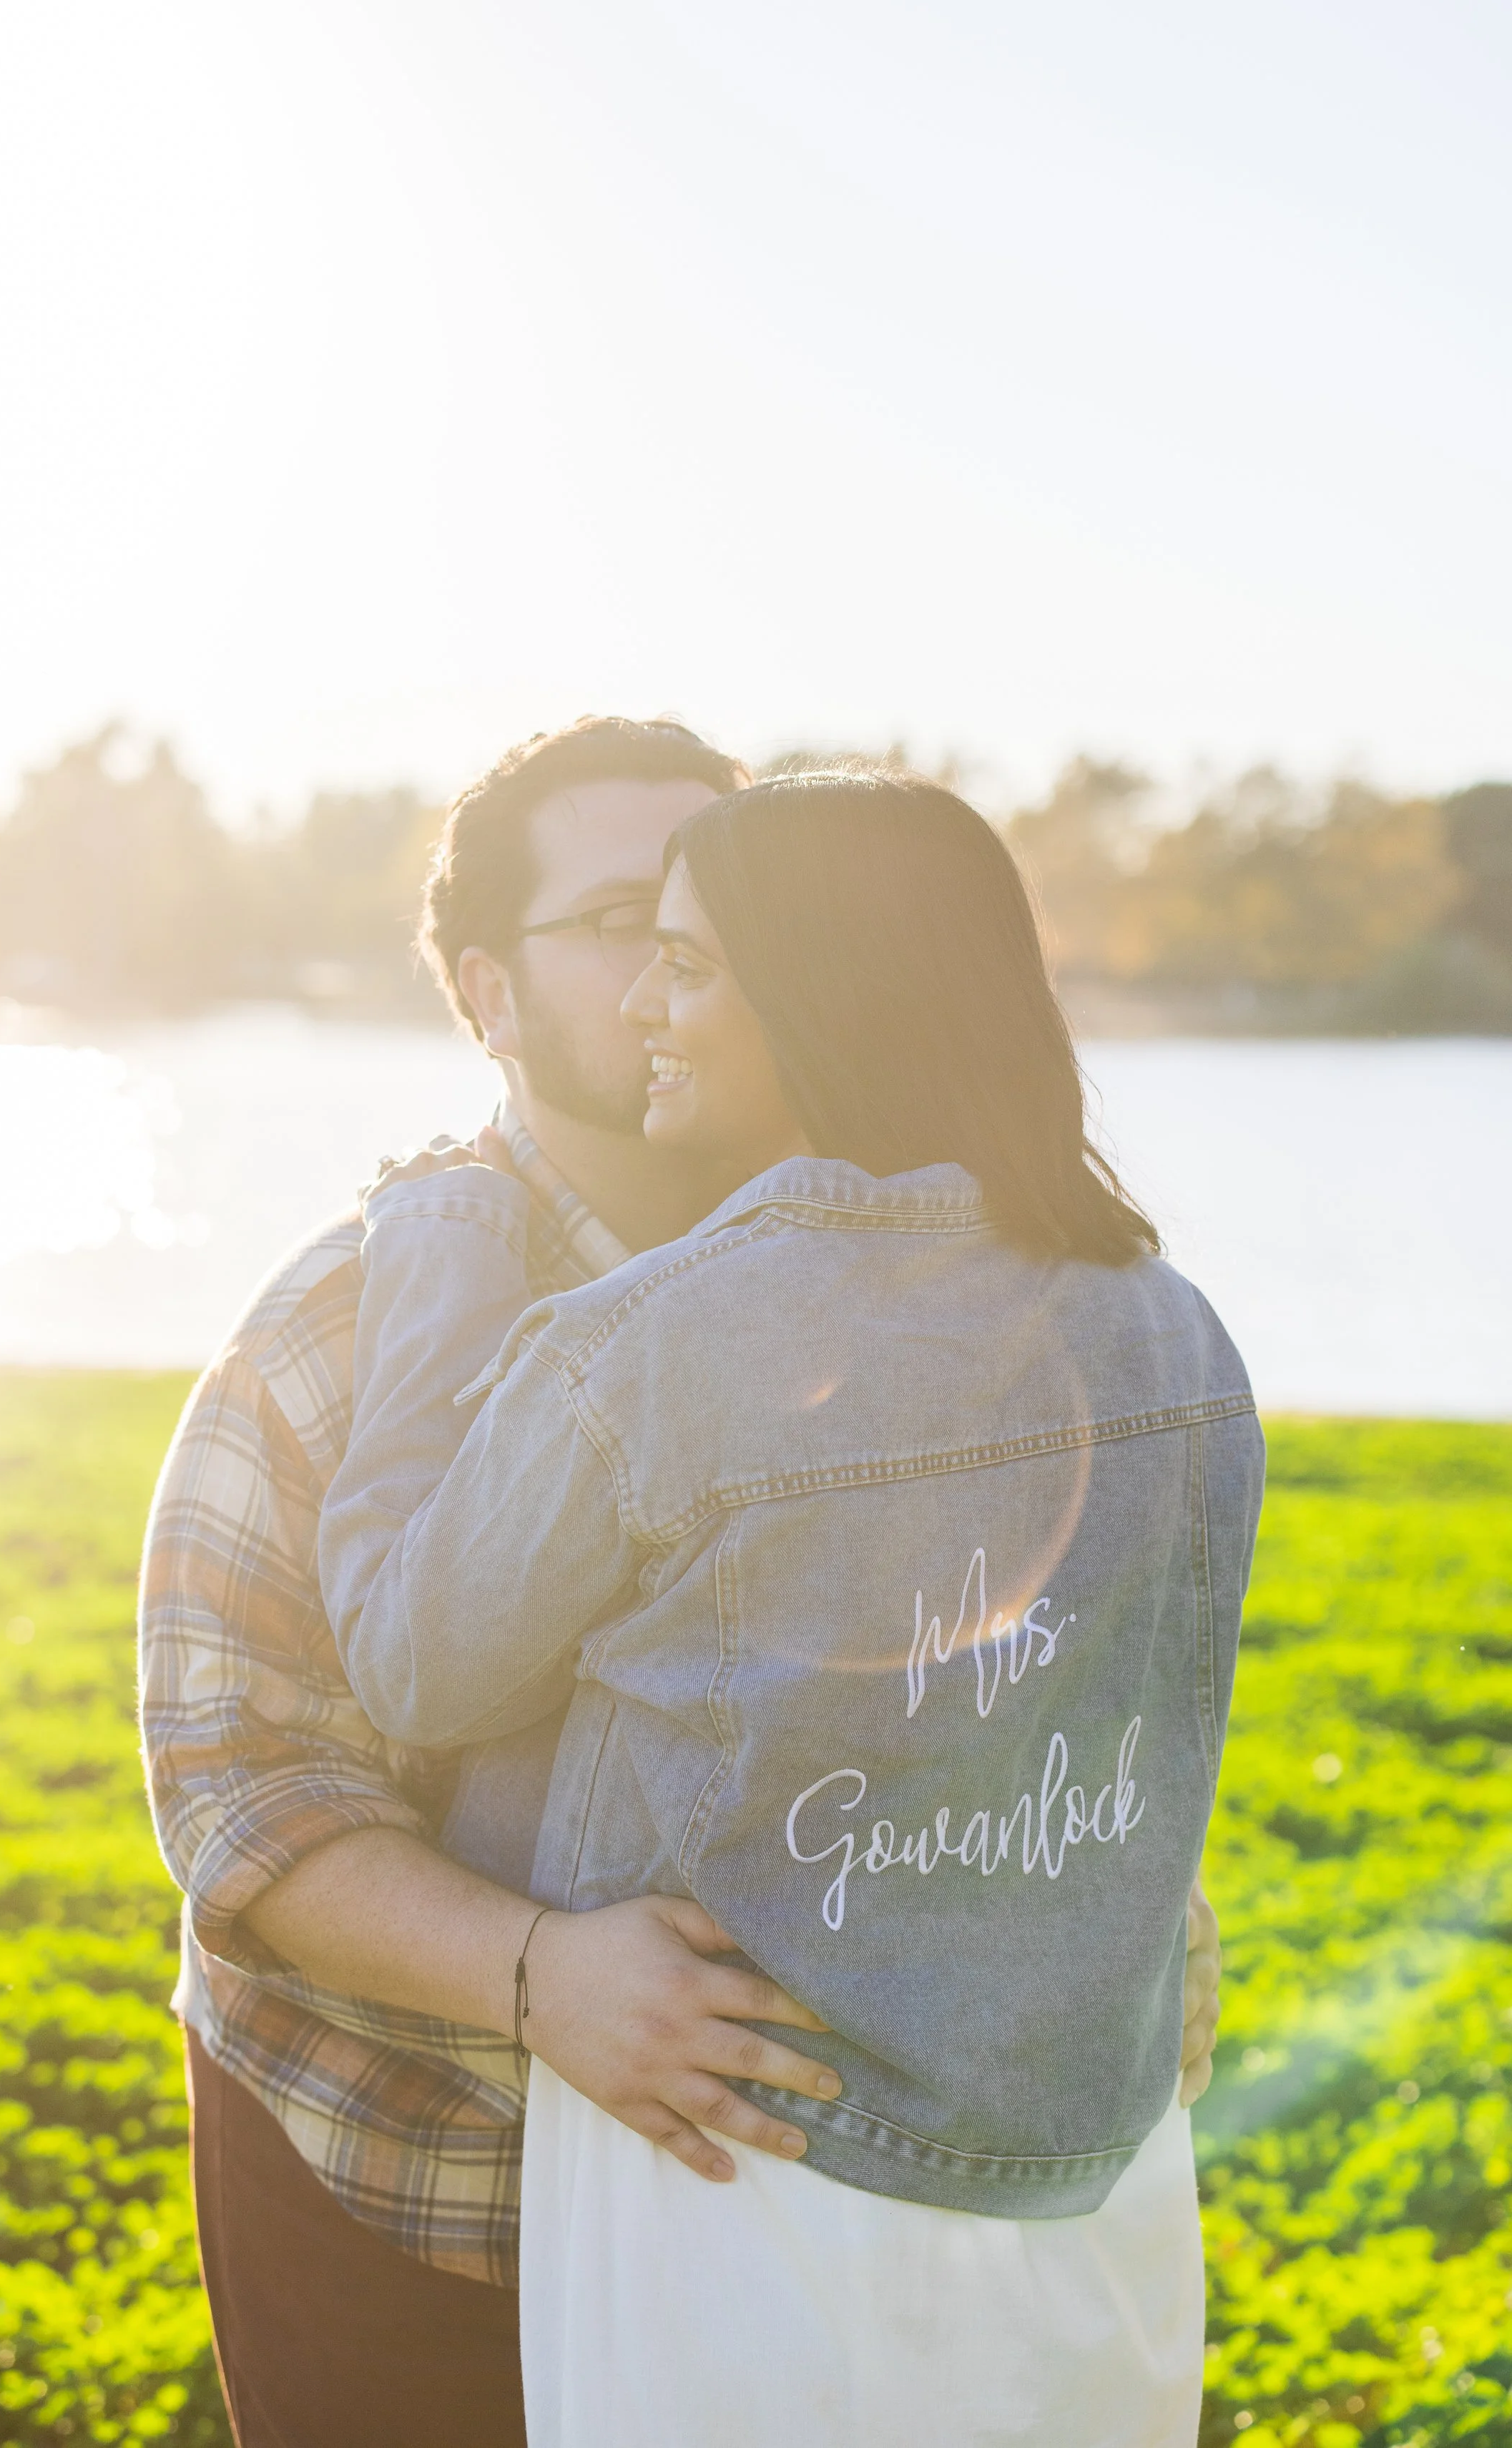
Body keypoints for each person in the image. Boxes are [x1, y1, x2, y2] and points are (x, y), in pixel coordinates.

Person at [140, 723, 1225, 2448]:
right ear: (485, 993)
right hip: (408, 2161)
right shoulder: (332, 1339)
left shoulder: (925, 1292)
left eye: (697, 927)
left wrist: (1103, 1903)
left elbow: (1001, 1663)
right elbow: (237, 1787)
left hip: (800, 2204)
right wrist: (535, 1973)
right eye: (617, 927)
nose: (659, 976)